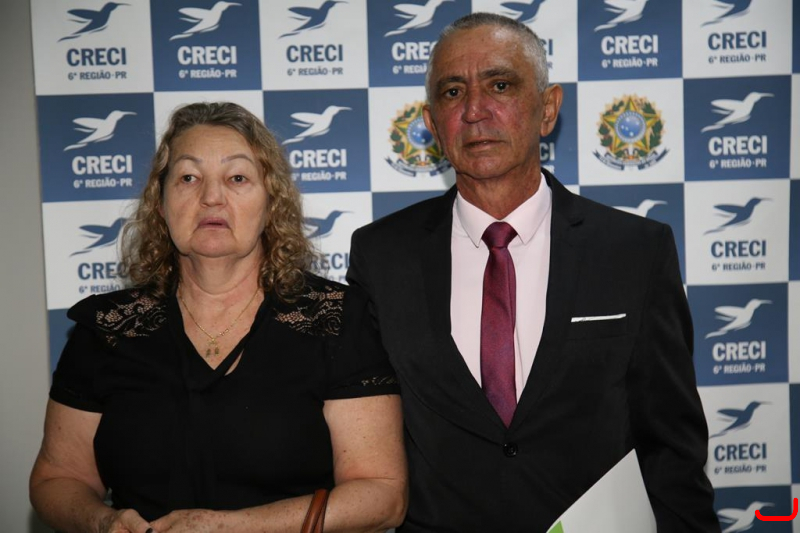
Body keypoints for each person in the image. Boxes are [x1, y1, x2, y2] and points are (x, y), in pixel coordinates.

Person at [346, 13, 719, 533]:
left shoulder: (635, 250)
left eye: (500, 85)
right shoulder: (381, 255)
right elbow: (367, 442)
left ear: (548, 109)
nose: (475, 110)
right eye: (453, 92)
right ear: (432, 123)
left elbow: (672, 451)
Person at [30, 102, 407, 533]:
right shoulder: (107, 327)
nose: (211, 197)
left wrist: (231, 527)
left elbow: (383, 495)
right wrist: (103, 522)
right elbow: (57, 479)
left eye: (237, 178)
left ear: (271, 203)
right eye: (188, 178)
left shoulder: (337, 318)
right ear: (160, 203)